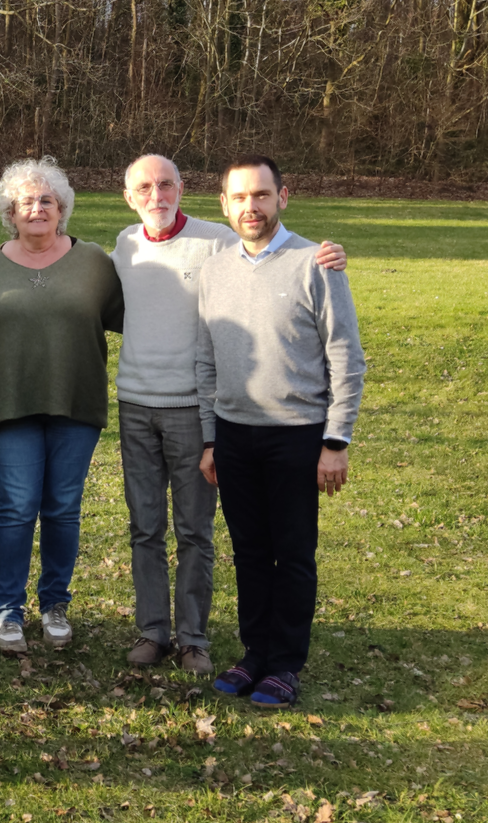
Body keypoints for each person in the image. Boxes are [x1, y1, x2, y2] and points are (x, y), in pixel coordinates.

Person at [110, 154, 347, 675]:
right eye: (144, 188)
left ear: (184, 189)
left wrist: (324, 253)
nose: (157, 195)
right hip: (148, 408)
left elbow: (272, 247)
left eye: (166, 184)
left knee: (199, 531)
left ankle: (196, 638)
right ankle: (154, 631)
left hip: (206, 413)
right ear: (129, 198)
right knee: (148, 528)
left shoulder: (217, 239)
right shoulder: (124, 246)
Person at [198, 155, 365, 708]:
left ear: (282, 197)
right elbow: (206, 359)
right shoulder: (216, 267)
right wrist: (209, 437)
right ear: (224, 204)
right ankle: (254, 653)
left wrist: (335, 441)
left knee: (292, 552)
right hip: (233, 434)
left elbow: (345, 356)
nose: (251, 207)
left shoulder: (316, 263)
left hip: (297, 433)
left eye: (262, 196)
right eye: (240, 197)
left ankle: (285, 664)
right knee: (248, 549)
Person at [0, 156, 124, 654]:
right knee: (16, 506)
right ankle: (7, 609)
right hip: (10, 405)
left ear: (62, 209)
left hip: (77, 402)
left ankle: (54, 604)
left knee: (62, 508)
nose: (37, 209)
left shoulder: (95, 262)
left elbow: (140, 315)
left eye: (46, 200)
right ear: (10, 212)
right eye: (26, 201)